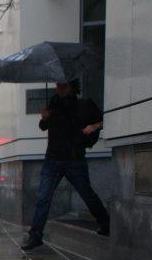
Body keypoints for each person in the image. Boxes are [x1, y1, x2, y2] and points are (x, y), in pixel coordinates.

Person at [21, 81, 109, 250]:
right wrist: (44, 118)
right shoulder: (53, 104)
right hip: (52, 159)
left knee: (87, 193)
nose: (59, 88)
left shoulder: (84, 105)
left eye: (63, 85)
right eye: (58, 85)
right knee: (43, 198)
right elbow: (43, 127)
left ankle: (105, 221)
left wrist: (93, 126)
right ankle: (35, 236)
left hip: (74, 159)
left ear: (73, 87)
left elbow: (104, 120)